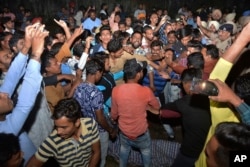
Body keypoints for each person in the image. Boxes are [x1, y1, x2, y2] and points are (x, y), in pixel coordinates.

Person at [0, 23, 48, 165]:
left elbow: (11, 79)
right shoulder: (5, 131)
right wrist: (36, 55)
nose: (4, 94)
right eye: (0, 97)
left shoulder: (2, 106)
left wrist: (26, 46)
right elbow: (25, 103)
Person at [111, 58, 160, 167]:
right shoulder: (146, 91)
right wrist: (146, 107)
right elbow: (157, 108)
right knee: (146, 152)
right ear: (138, 75)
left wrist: (114, 120)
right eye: (142, 70)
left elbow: (114, 114)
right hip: (140, 133)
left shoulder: (116, 90)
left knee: (124, 150)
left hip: (124, 132)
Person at [26, 98, 101, 167]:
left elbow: (96, 152)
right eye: (56, 126)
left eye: (63, 127)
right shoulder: (53, 141)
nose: (58, 132)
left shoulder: (90, 125)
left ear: (77, 122)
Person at [161, 68, 211, 167]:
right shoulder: (210, 96)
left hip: (191, 151)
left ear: (186, 84)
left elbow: (164, 109)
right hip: (209, 148)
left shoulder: (185, 102)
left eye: (182, 84)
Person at [74, 59, 117, 167]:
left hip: (84, 128)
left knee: (89, 155)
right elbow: (100, 118)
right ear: (97, 73)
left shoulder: (79, 87)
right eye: (101, 74)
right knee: (100, 156)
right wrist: (111, 130)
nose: (101, 76)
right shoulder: (96, 93)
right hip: (99, 131)